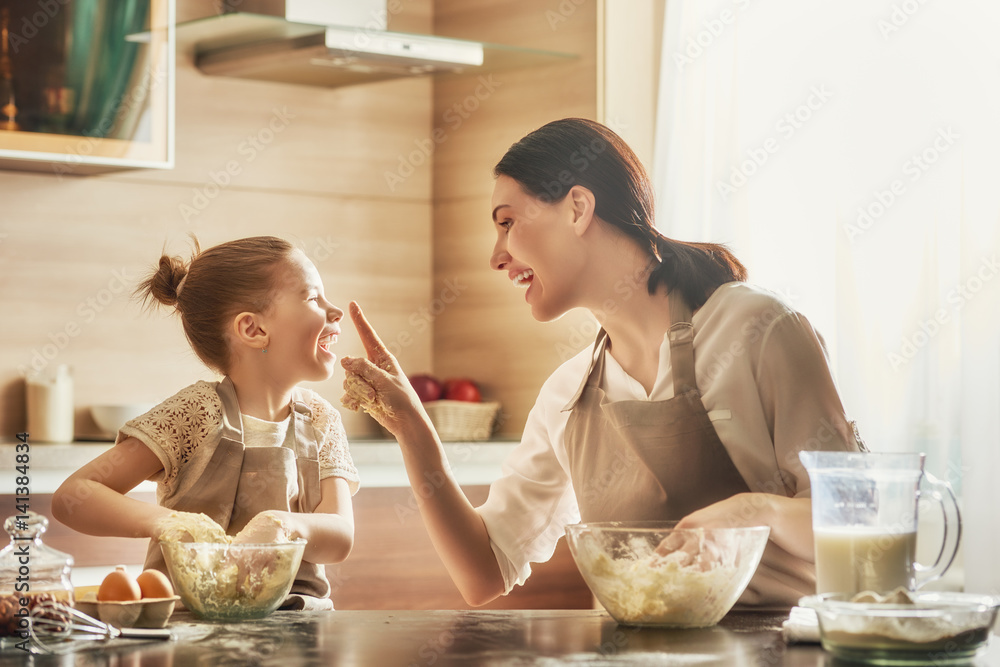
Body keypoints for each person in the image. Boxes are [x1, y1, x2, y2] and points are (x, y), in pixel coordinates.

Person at [340, 118, 864, 609]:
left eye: (507, 223)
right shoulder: (566, 393)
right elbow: (483, 571)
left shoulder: (757, 329)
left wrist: (754, 512)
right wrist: (412, 428)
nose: (495, 256)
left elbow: (859, 525)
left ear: (577, 208)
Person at [52, 236, 358, 610]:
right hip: (188, 632)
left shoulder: (322, 421)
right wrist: (169, 525)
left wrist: (286, 526)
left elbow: (341, 537)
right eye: (313, 298)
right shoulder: (196, 412)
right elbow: (73, 497)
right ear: (253, 329)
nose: (335, 310)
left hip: (298, 631)